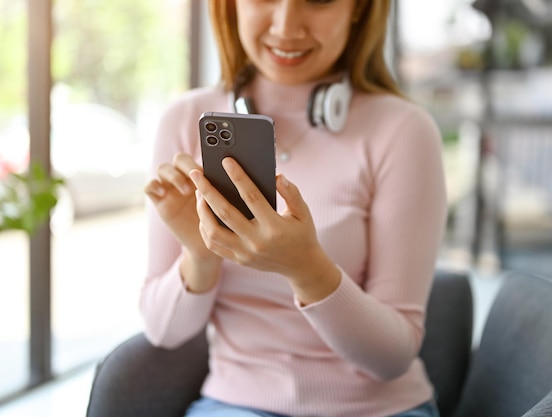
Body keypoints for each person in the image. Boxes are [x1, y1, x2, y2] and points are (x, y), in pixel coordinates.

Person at [142, 0, 448, 416]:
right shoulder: (187, 121)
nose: (286, 26)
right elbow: (163, 331)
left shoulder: (402, 130)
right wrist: (199, 255)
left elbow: (392, 359)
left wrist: (307, 269)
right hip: (236, 404)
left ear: (359, 8)